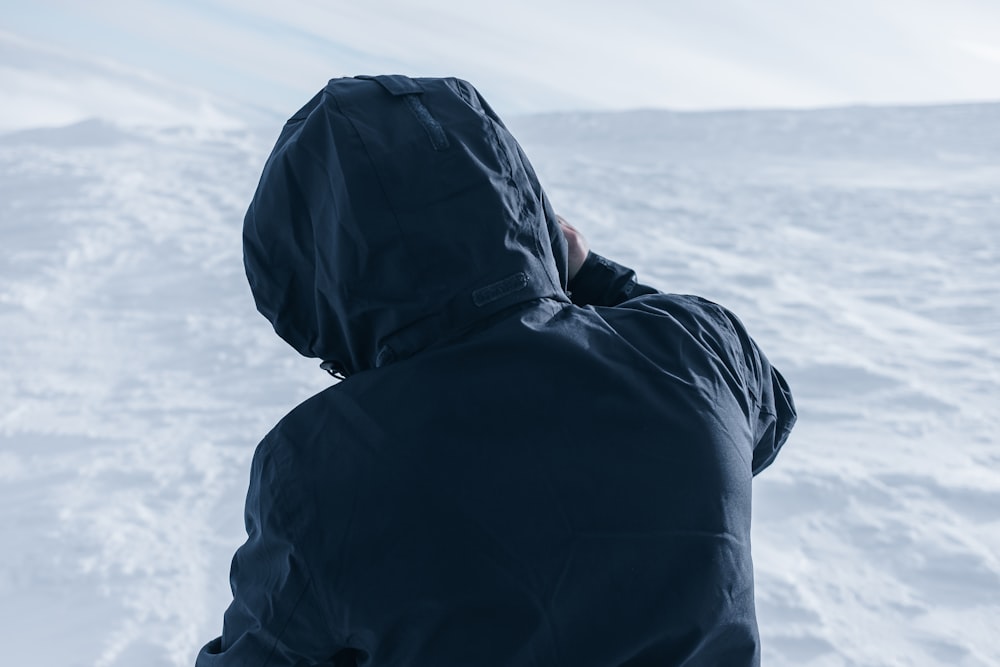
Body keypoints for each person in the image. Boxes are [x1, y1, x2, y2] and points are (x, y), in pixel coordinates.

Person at [196, 75, 796, 667]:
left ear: (307, 262)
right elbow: (767, 419)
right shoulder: (697, 348)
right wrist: (588, 277)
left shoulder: (320, 466)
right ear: (518, 192)